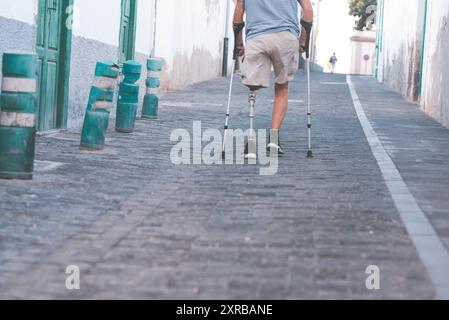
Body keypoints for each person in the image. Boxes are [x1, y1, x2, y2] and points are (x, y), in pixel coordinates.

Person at [233, 0, 314, 157]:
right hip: (286, 36)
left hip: (257, 37)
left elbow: (238, 14)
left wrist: (239, 43)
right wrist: (303, 41)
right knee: (282, 87)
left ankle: (250, 142)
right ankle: (274, 140)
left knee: (252, 87)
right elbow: (308, 12)